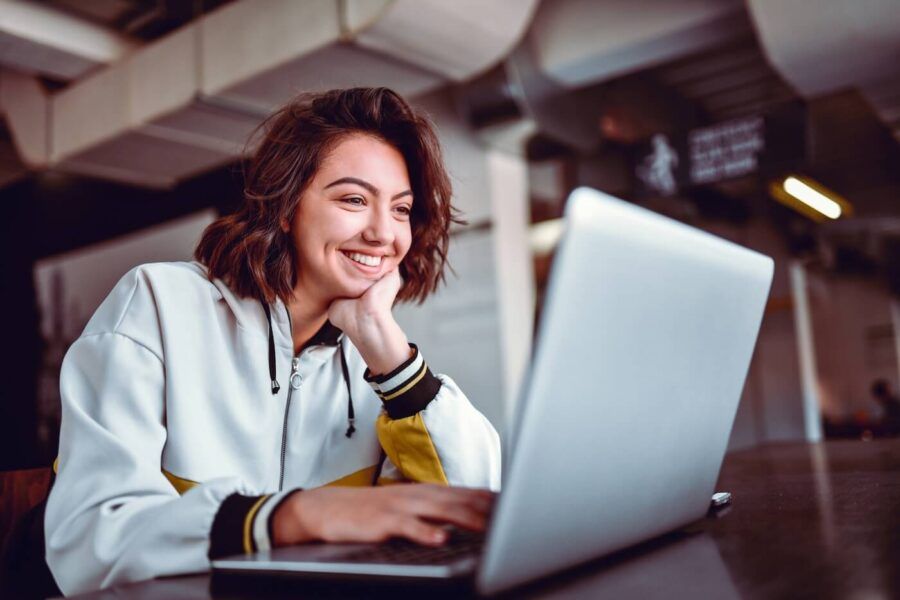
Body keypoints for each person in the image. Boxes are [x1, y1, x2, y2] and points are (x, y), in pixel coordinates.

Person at [44, 88, 501, 596]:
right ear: (286, 207)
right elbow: (89, 541)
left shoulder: (377, 357)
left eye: (401, 209)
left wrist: (388, 351)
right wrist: (293, 516)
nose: (383, 233)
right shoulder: (157, 302)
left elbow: (472, 507)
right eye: (354, 199)